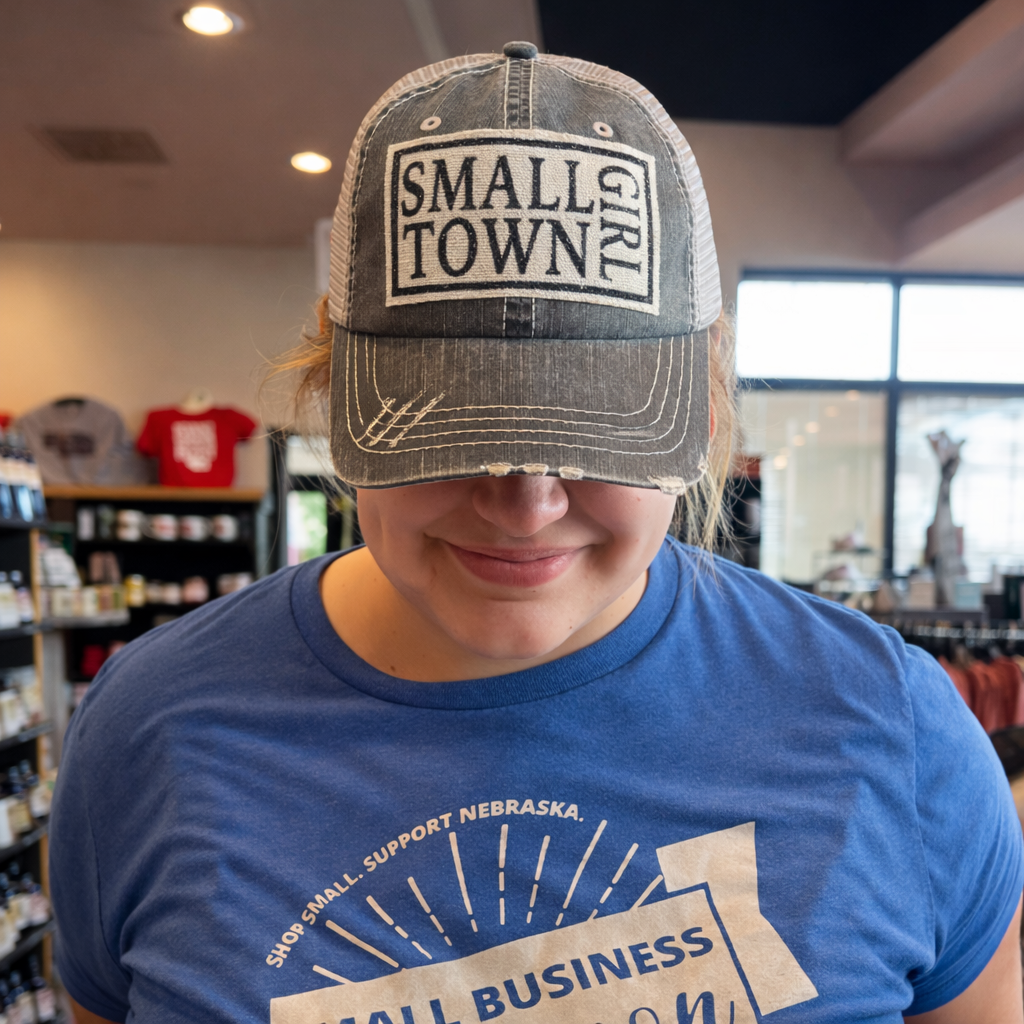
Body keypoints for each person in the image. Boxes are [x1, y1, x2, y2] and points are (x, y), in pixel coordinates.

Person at [51, 42, 1022, 1024]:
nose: (525, 506)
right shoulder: (153, 729)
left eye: (594, 431)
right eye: (449, 427)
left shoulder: (892, 732)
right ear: (335, 387)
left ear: (703, 400)